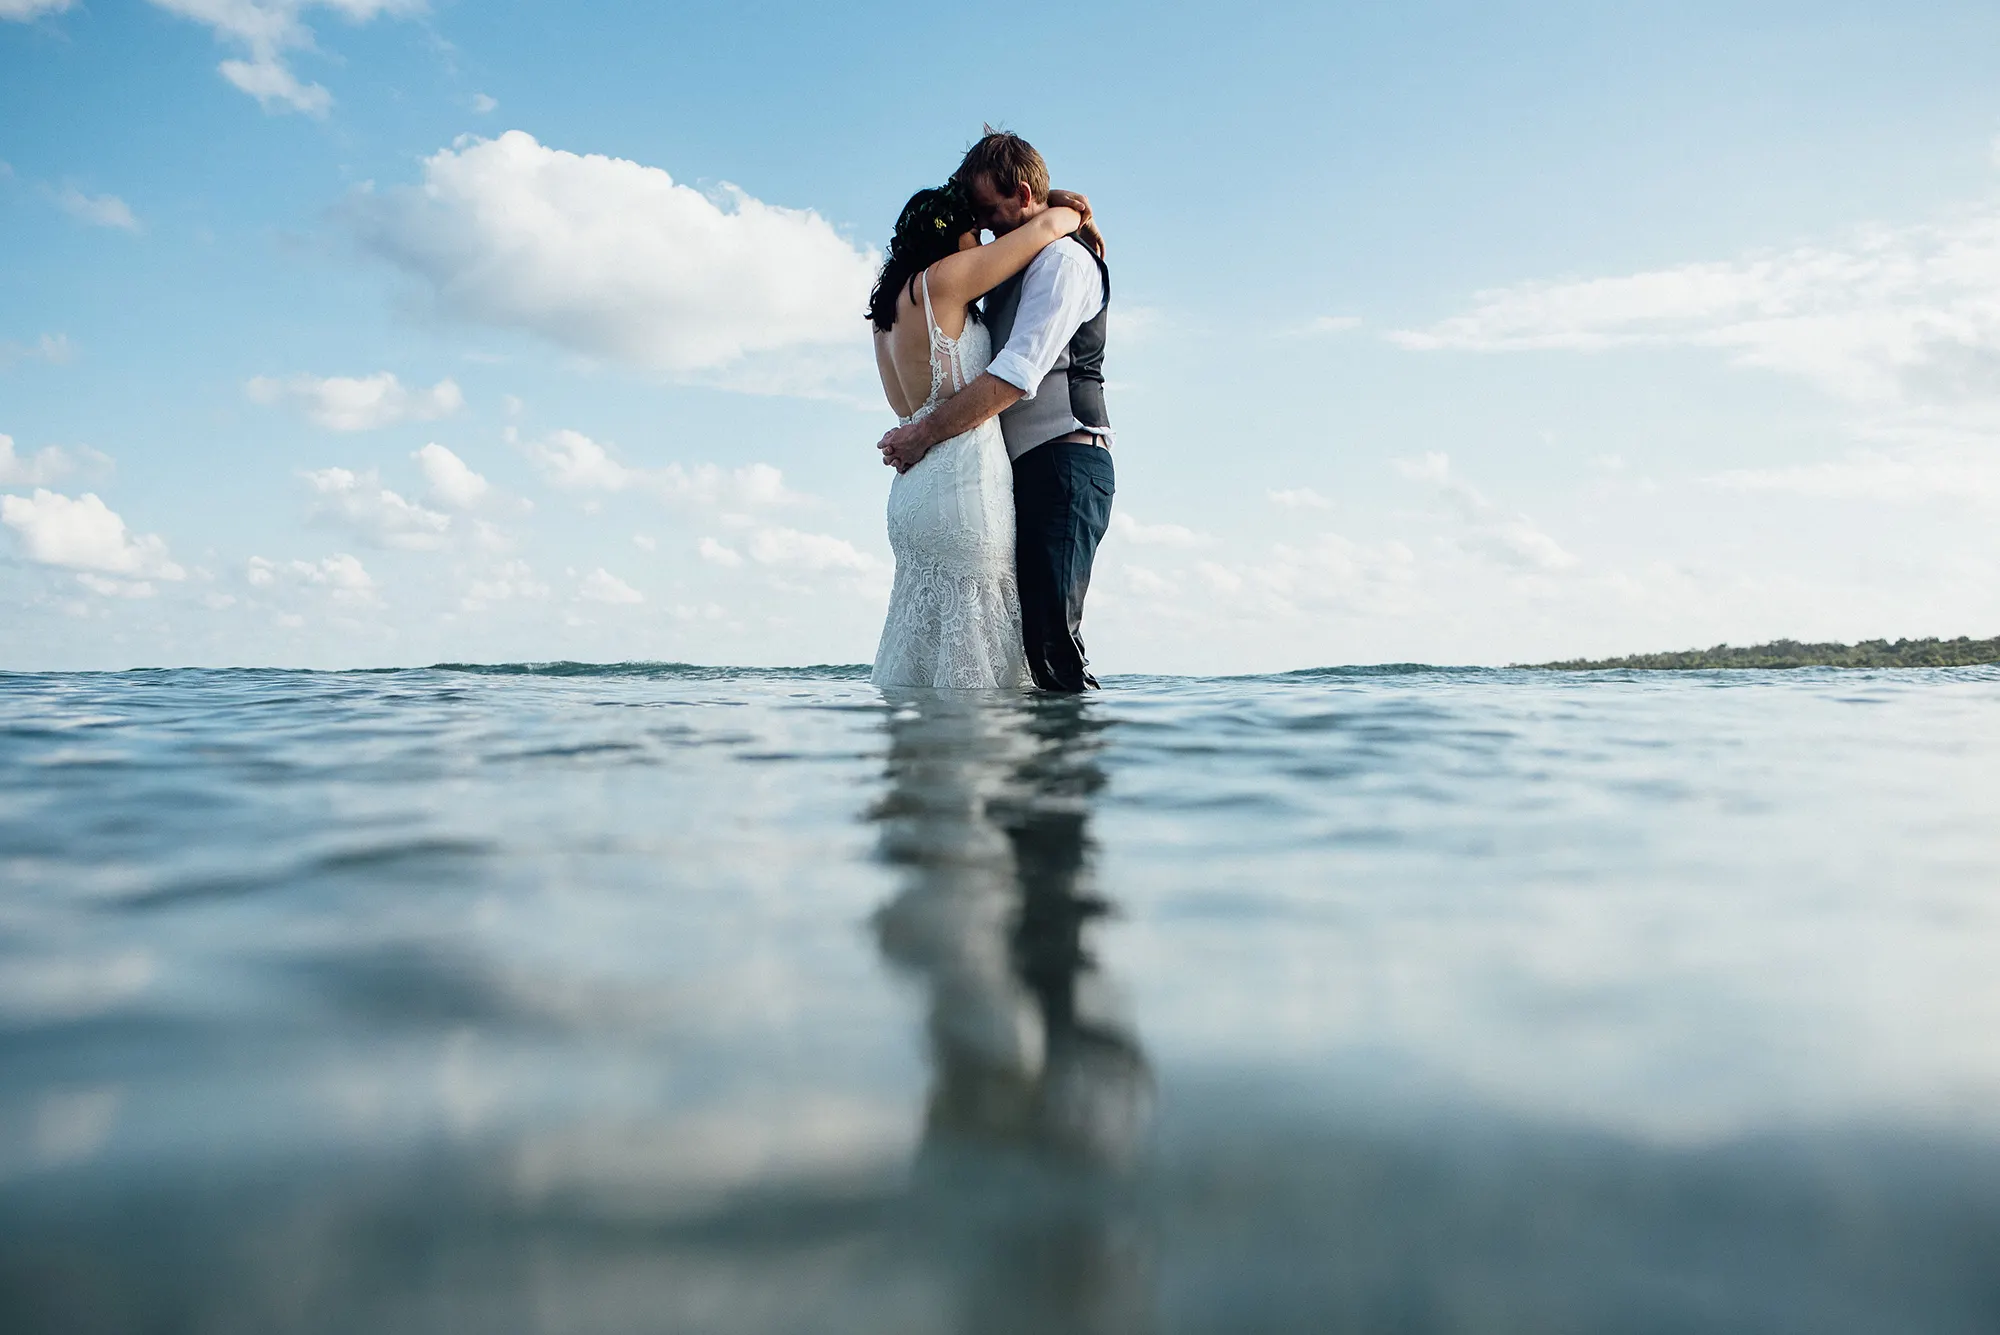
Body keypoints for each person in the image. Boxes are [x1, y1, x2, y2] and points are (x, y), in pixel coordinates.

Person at [878, 130, 1115, 692]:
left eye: (990, 214)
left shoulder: (1061, 263)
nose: (985, 233)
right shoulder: (992, 273)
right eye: (975, 222)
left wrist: (922, 433)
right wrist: (1065, 209)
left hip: (1064, 458)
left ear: (1026, 193)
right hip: (998, 473)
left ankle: (1064, 773)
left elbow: (1018, 373)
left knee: (1049, 641)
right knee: (1024, 644)